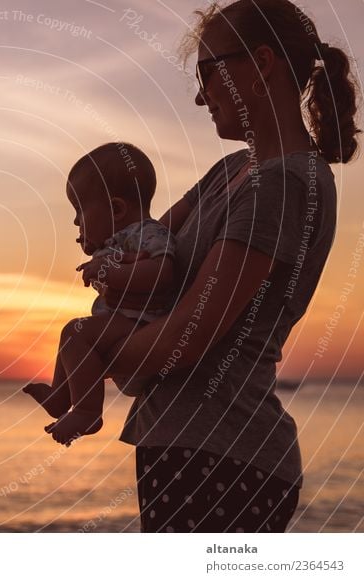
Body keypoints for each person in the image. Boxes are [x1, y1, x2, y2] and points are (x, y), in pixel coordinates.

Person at [98, 0, 359, 532]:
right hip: (186, 446)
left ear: (260, 64)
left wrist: (94, 345)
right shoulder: (232, 171)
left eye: (207, 73)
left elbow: (186, 338)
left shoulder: (283, 185)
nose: (199, 96)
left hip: (224, 458)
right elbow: (137, 243)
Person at [23, 143, 178, 446]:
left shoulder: (148, 233)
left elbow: (163, 272)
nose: (75, 221)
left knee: (75, 332)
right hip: (125, 320)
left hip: (142, 324)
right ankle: (60, 396)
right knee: (74, 336)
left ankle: (87, 411)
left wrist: (110, 273)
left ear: (117, 209)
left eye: (80, 210)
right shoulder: (120, 240)